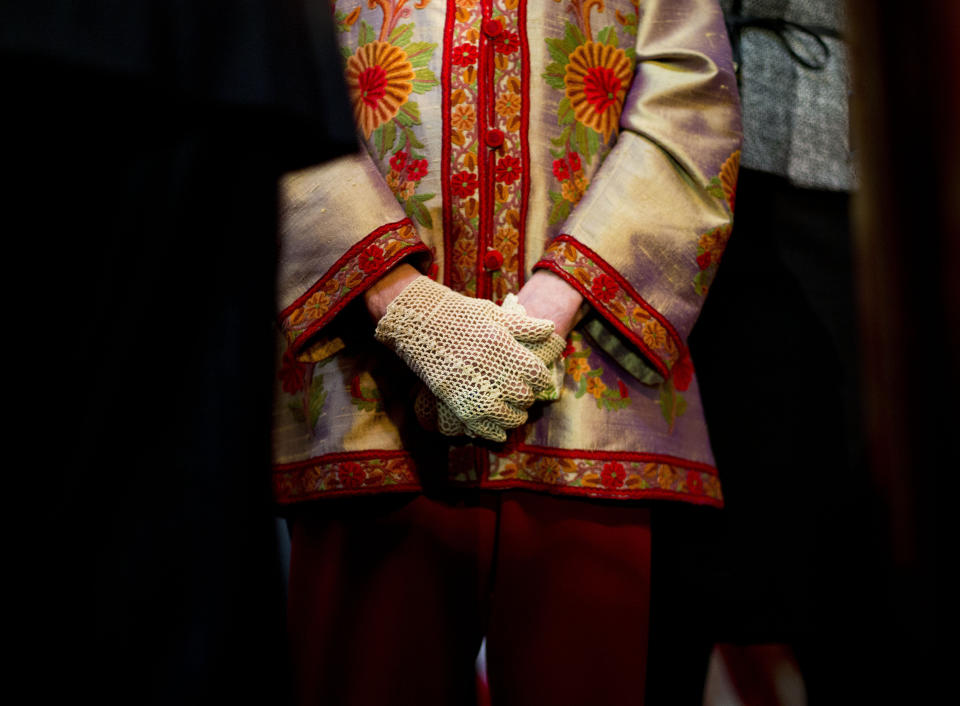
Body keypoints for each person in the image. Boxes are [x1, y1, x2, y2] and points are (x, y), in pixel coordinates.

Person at [272, 1, 741, 704]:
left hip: (586, 393)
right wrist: (400, 301)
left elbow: (691, 97)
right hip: (364, 391)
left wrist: (554, 303)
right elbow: (265, 72)